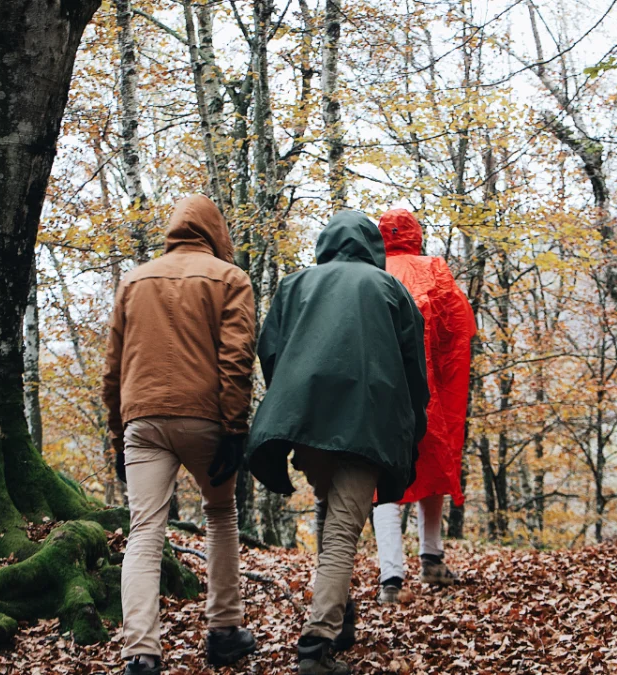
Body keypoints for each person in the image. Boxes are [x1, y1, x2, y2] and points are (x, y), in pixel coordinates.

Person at [246, 211, 429, 675]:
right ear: (372, 245)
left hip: (308, 422)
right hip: (369, 423)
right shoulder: (389, 289)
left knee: (331, 513)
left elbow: (270, 350)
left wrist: (293, 401)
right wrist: (414, 422)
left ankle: (342, 619)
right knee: (344, 528)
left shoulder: (295, 285)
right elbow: (413, 365)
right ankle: (316, 643)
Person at [102, 195, 258, 675]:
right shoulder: (231, 279)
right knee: (220, 516)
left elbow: (113, 367)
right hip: (207, 418)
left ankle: (142, 653)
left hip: (143, 420)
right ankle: (224, 631)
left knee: (145, 531)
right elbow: (236, 358)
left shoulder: (133, 280)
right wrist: (235, 427)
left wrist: (116, 434)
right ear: (217, 232)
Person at [370, 208, 476, 604]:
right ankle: (431, 559)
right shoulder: (434, 269)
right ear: (415, 234)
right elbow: (458, 327)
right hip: (429, 390)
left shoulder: (371, 269)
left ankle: (391, 578)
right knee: (434, 463)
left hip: (381, 390)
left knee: (385, 477)